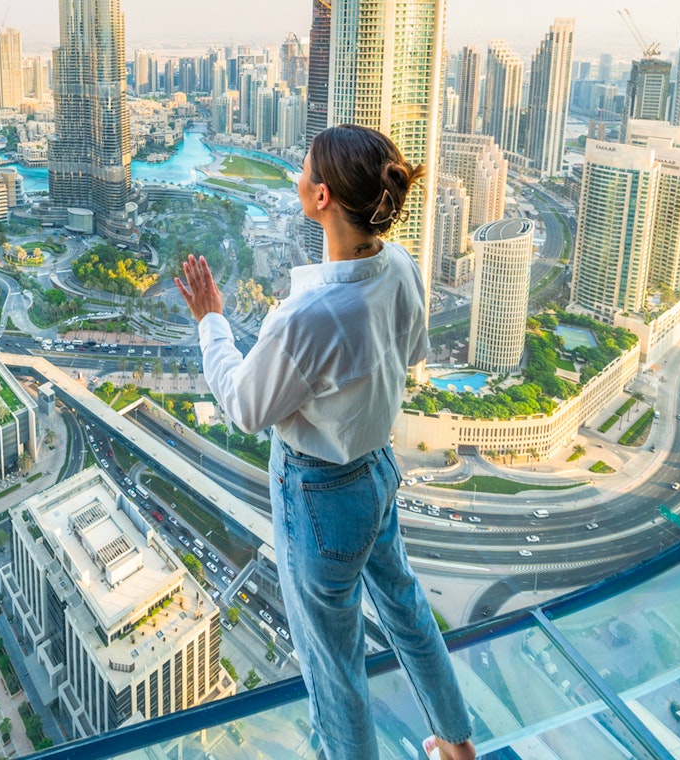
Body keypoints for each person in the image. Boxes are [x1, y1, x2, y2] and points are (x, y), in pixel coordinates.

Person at [174, 124, 476, 760]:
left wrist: (211, 324)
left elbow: (244, 406)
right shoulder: (400, 268)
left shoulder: (311, 315)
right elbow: (412, 352)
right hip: (377, 473)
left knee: (335, 671)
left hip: (318, 498)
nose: (295, 177)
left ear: (322, 200)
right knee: (406, 609)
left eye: (304, 171)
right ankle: (457, 746)